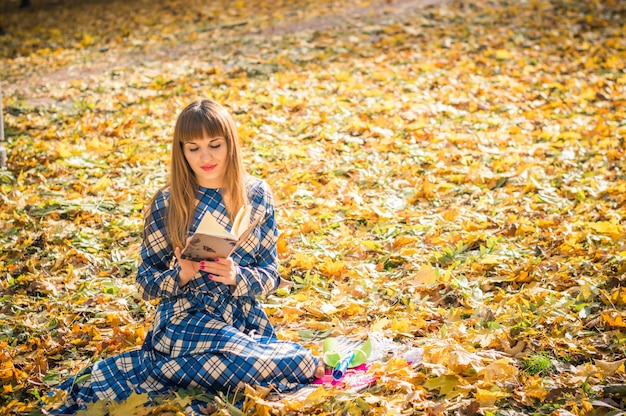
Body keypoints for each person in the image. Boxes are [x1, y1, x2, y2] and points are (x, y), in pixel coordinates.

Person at [50, 99, 323, 413]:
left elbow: (271, 274)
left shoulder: (258, 195)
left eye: (215, 145)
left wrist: (239, 276)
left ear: (230, 144)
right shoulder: (168, 202)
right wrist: (181, 275)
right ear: (181, 151)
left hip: (241, 320)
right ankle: (166, 365)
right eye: (193, 148)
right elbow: (145, 283)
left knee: (242, 362)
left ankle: (180, 371)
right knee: (284, 364)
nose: (205, 157)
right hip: (184, 321)